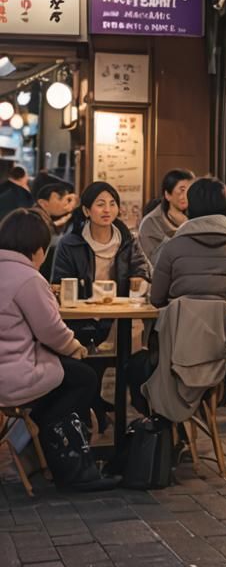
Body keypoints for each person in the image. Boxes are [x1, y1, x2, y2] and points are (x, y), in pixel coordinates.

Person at [0, 210, 116, 491]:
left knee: (70, 379)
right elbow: (51, 331)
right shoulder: (28, 278)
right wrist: (76, 347)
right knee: (84, 377)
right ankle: (71, 467)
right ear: (37, 249)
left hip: (8, 368)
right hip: (13, 375)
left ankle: (48, 449)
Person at [50, 182, 150, 430]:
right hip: (81, 319)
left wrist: (140, 279)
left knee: (126, 359)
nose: (107, 209)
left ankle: (102, 411)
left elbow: (143, 271)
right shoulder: (70, 244)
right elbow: (59, 283)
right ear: (86, 210)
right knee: (86, 362)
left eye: (112, 203)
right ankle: (93, 409)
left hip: (119, 318)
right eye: (100, 204)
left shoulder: (128, 241)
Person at [149, 177, 226, 315]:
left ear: (190, 208)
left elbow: (156, 299)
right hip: (224, 333)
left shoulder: (172, 248)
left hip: (178, 333)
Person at [138, 169, 195, 266]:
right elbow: (156, 261)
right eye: (182, 190)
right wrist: (184, 227)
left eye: (190, 190)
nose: (187, 195)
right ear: (167, 195)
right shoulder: (151, 223)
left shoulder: (197, 216)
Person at [32, 173, 76, 279]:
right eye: (61, 198)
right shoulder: (35, 221)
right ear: (43, 203)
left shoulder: (38, 217)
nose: (66, 203)